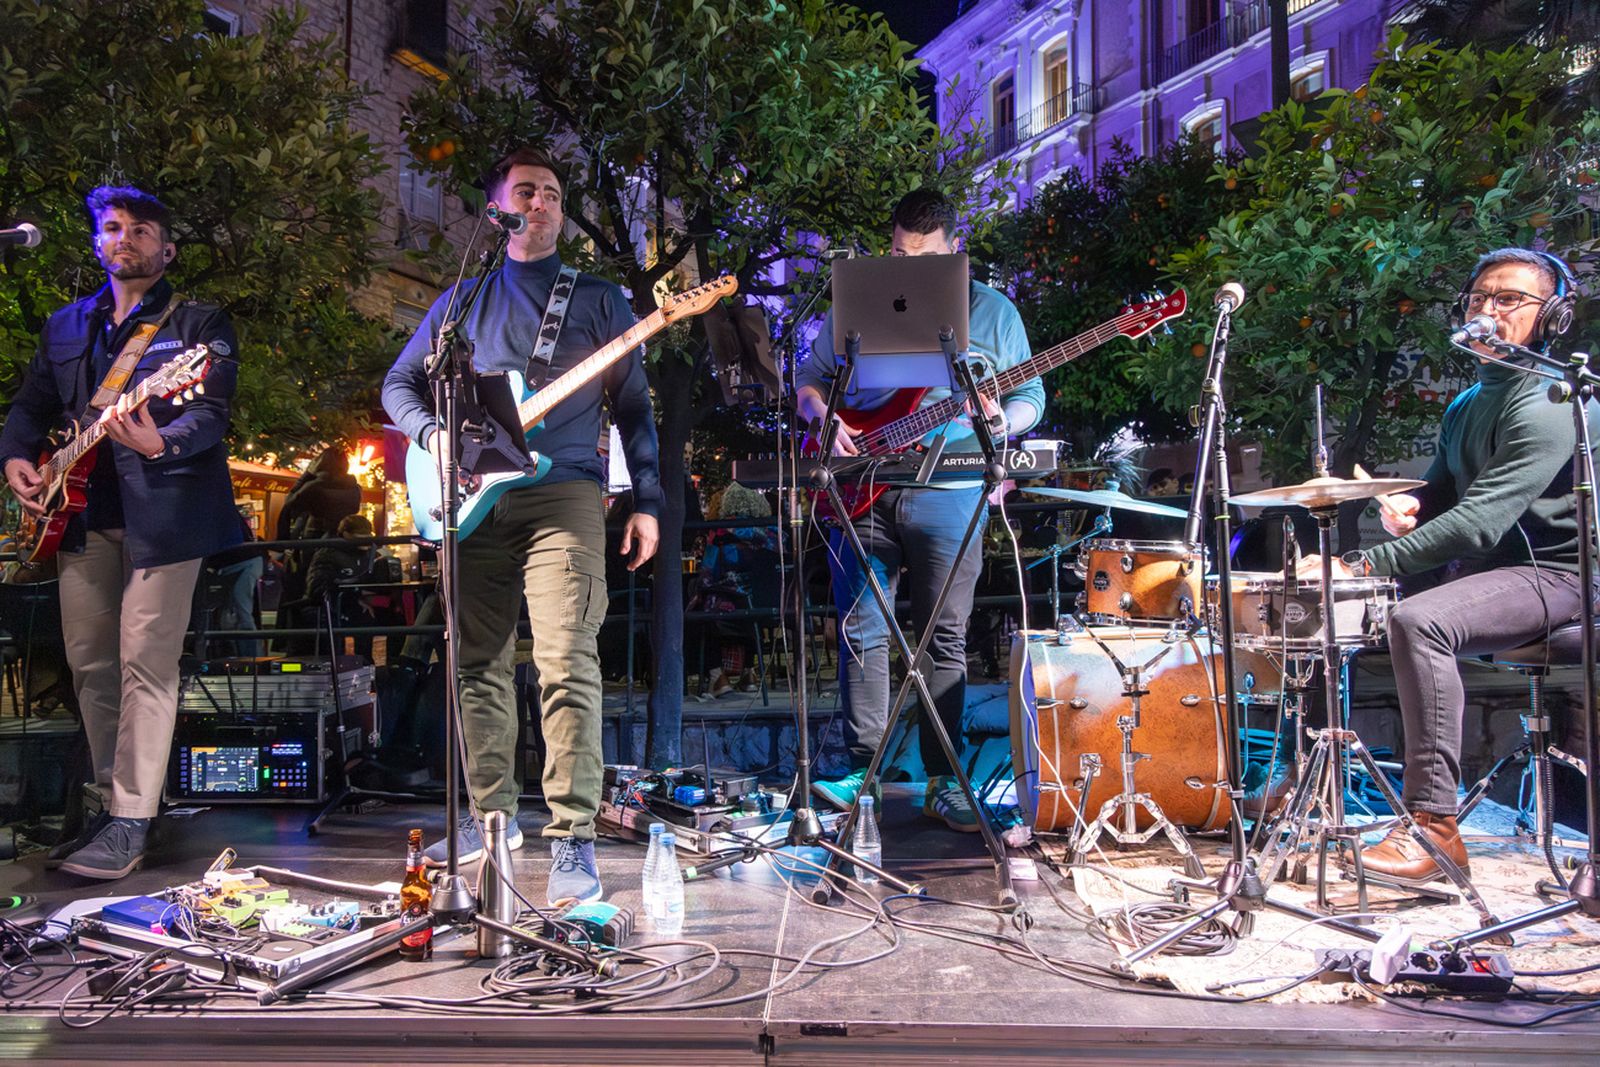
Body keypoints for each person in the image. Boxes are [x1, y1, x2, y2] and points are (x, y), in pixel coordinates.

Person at [382, 146, 661, 905]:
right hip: (471, 502)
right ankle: (488, 820)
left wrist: (649, 502)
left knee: (568, 659)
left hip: (563, 493)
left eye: (552, 194)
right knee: (479, 665)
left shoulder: (600, 300)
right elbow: (399, 384)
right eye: (526, 191)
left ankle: (572, 832)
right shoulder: (463, 301)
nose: (540, 202)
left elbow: (633, 408)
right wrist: (436, 438)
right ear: (499, 207)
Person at [1301, 247, 1594, 885]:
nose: (1488, 310)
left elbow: (1481, 522)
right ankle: (1335, 801)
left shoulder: (1549, 399)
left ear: (1553, 318)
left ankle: (1433, 829)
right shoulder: (1467, 405)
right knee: (1383, 614)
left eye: (1509, 299)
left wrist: (1363, 559)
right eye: (1479, 297)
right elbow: (1446, 495)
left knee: (1419, 620)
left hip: (1566, 575)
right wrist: (1410, 502)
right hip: (1507, 573)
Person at [0, 185, 240, 879]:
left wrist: (160, 443)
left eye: (141, 228)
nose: (125, 237)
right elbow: (29, 406)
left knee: (145, 661)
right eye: (112, 227)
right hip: (78, 516)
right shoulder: (66, 325)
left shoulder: (199, 323)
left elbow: (210, 413)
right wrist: (19, 458)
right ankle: (115, 806)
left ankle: (132, 818)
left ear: (166, 248)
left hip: (165, 520)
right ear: (97, 243)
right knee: (91, 665)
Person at [794, 188, 1044, 831]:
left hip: (953, 490)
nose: (910, 269)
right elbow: (810, 381)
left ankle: (944, 778)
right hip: (862, 485)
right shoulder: (862, 303)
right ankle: (862, 774)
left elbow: (1031, 395)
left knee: (944, 638)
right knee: (862, 631)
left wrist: (1001, 420)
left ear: (955, 252)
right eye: (901, 255)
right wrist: (824, 418)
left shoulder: (993, 313)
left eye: (926, 259)